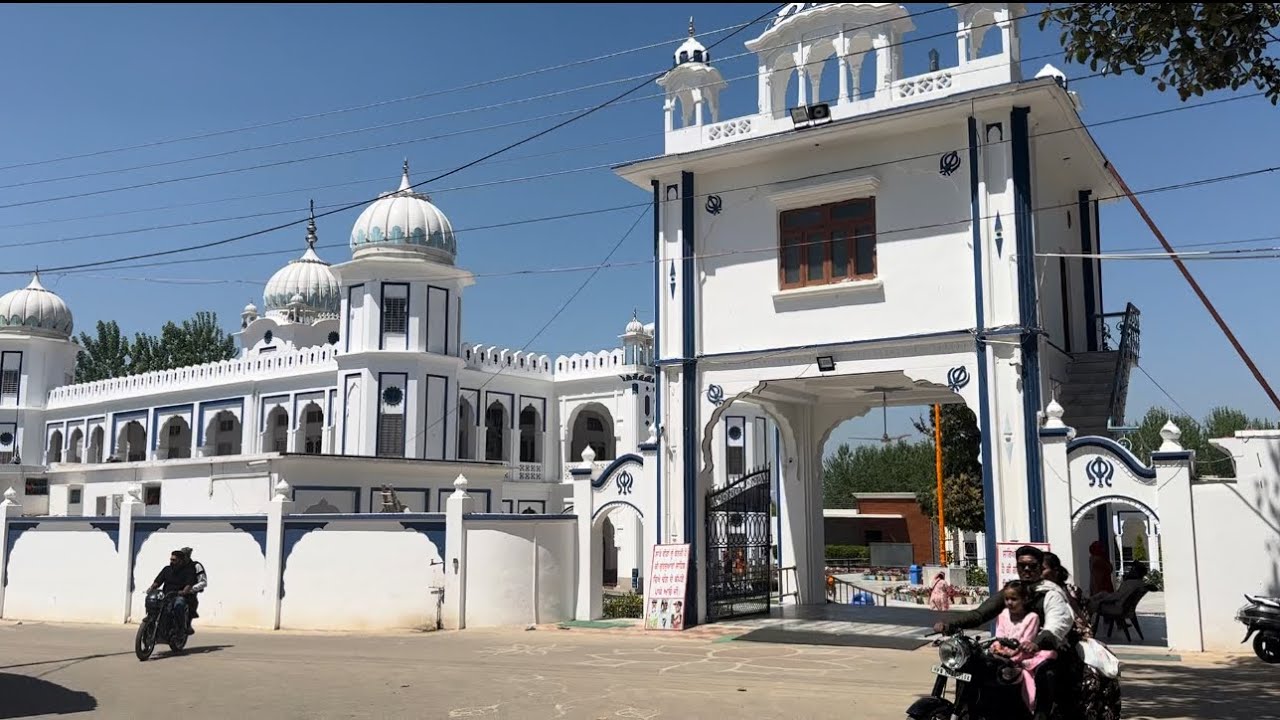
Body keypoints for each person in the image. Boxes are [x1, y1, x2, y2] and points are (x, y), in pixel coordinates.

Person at [932, 546, 1073, 720]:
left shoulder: (1050, 594)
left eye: (1032, 566)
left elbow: (1057, 624)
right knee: (977, 664)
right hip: (1011, 650)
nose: (1027, 569)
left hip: (1043, 650)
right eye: (1022, 565)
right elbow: (981, 613)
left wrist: (1037, 642)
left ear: (1039, 567)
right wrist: (949, 624)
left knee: (1045, 674)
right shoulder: (1013, 591)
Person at [1041, 552, 1122, 720]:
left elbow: (1083, 623)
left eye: (1041, 568)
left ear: (1055, 571)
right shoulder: (1026, 594)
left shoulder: (1068, 592)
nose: (1034, 572)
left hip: (1068, 649)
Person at [991, 580, 1057, 714]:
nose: (1009, 602)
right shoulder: (1003, 615)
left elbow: (1026, 643)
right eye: (1007, 599)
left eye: (1014, 599)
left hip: (1023, 659)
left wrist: (1012, 655)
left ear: (1025, 599)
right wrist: (997, 648)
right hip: (1001, 658)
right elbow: (999, 637)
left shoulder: (1032, 618)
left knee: (1027, 686)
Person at [146, 549, 197, 633]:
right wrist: (151, 588)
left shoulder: (188, 571)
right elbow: (158, 581)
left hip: (179, 596)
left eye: (174, 560)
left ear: (180, 560)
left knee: (179, 605)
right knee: (153, 603)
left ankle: (181, 629)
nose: (171, 561)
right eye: (171, 559)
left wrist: (184, 591)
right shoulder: (167, 569)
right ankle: (152, 624)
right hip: (166, 595)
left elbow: (189, 584)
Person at [180, 547, 207, 635]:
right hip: (174, 591)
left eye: (185, 556)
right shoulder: (177, 565)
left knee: (190, 603)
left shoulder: (196, 566)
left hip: (189, 594)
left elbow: (203, 582)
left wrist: (191, 589)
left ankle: (187, 624)